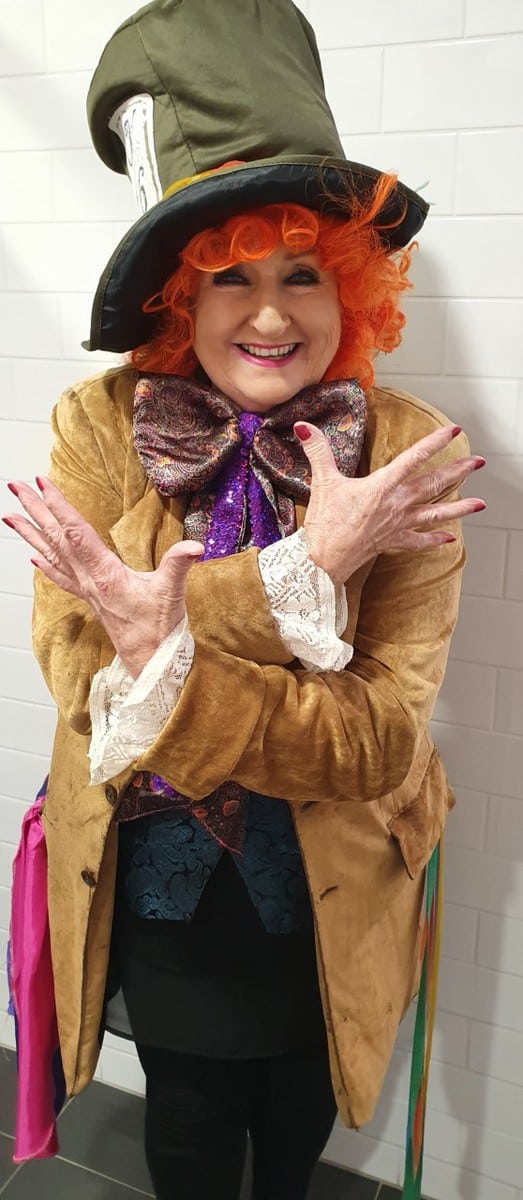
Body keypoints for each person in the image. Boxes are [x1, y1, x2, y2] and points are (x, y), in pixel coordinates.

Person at [3, 3, 485, 1198]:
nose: (270, 316)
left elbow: (374, 742)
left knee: (298, 1115)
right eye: (229, 276)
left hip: (334, 883)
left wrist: (164, 643)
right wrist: (296, 579)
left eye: (302, 273)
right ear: (179, 295)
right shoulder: (96, 425)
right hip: (154, 878)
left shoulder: (410, 455)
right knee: (184, 1114)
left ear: (352, 286)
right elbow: (80, 679)